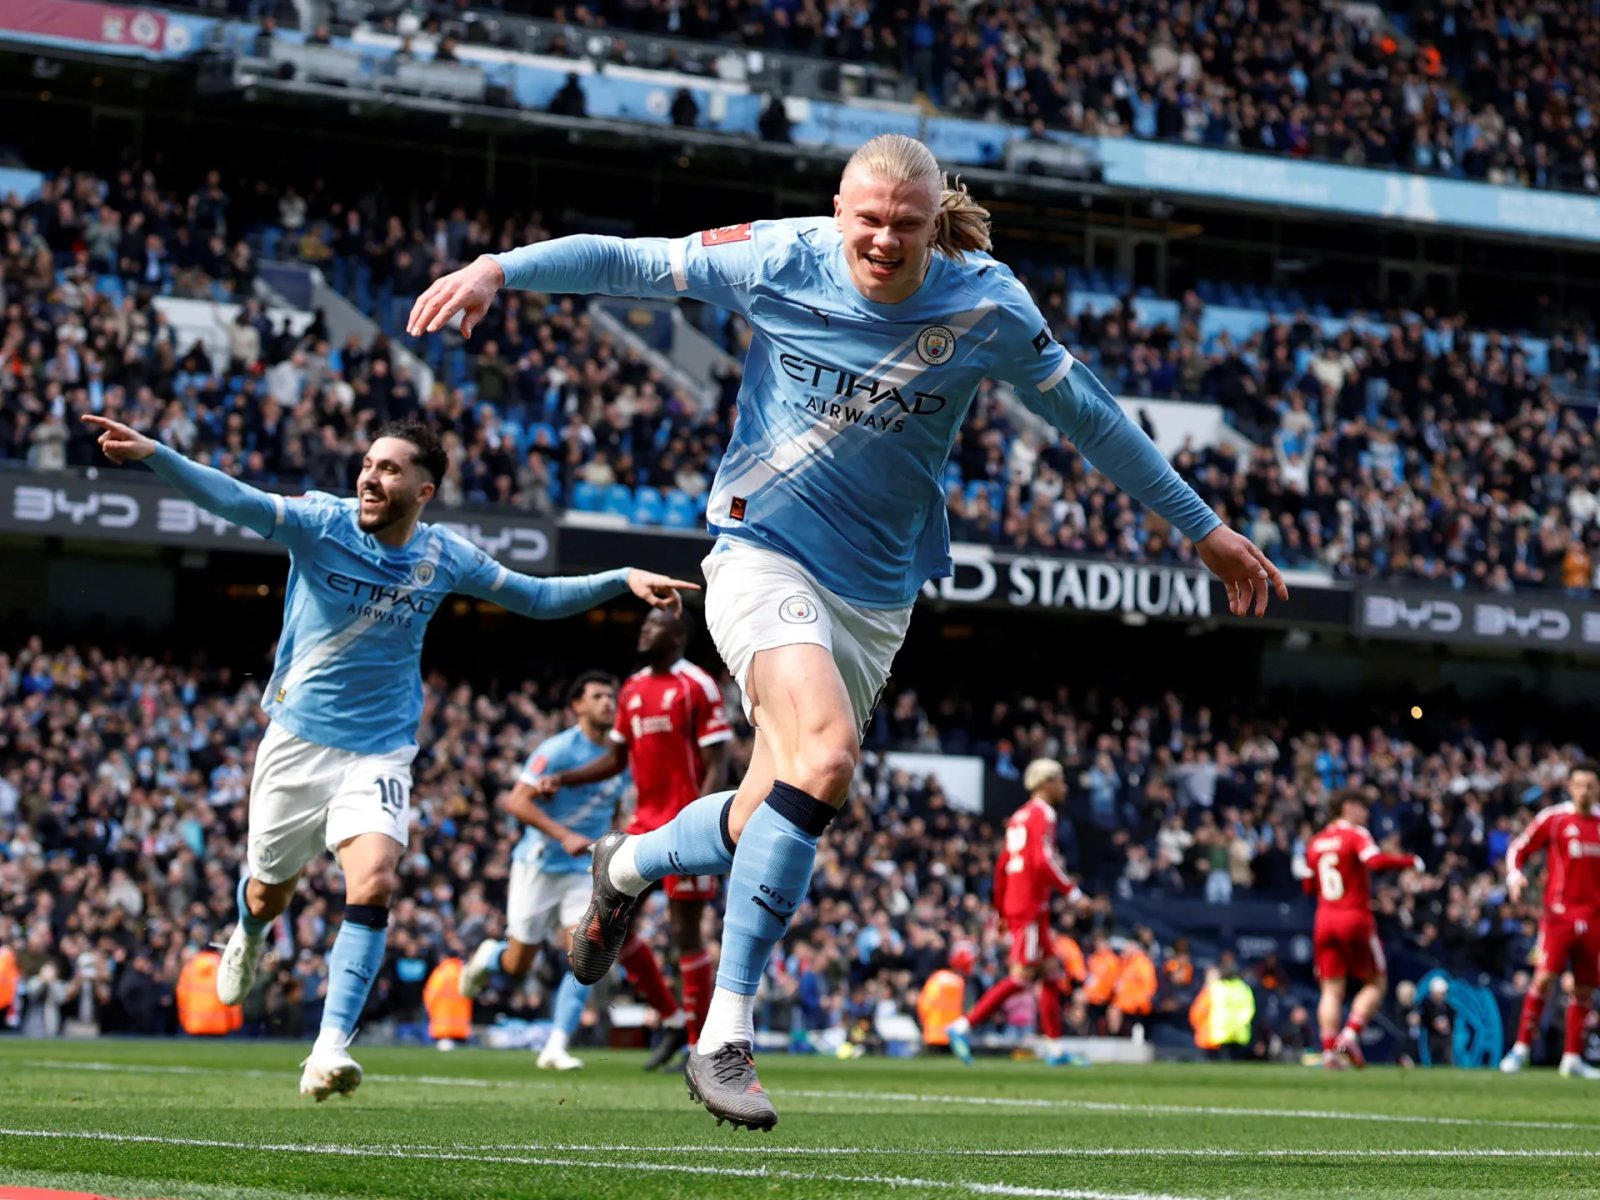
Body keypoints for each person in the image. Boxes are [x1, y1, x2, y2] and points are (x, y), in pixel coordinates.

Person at [406, 133, 1287, 1129]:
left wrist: (1201, 528)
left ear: (930, 226)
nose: (881, 240)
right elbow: (631, 259)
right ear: (837, 208)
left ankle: (628, 864)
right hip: (758, 551)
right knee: (825, 757)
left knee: (764, 805)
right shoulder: (777, 257)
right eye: (865, 220)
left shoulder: (986, 302)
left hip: (875, 596)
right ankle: (725, 1036)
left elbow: (1088, 415)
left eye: (904, 227)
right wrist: (497, 269)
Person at [80, 412, 695, 1101]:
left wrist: (619, 577)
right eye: (368, 465)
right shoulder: (320, 523)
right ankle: (250, 931)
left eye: (389, 469)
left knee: (372, 881)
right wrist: (156, 453)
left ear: (424, 491)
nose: (370, 477)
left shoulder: (445, 557)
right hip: (296, 745)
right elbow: (234, 498)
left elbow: (533, 596)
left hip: (379, 752)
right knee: (268, 891)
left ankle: (327, 1050)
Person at [533, 608, 732, 1070]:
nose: (642, 629)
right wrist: (566, 777)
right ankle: (668, 1017)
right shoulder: (633, 689)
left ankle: (694, 1043)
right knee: (612, 927)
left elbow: (718, 763)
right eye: (641, 623)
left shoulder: (696, 686)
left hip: (686, 828)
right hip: (642, 827)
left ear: (677, 634)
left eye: (653, 624)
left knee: (686, 933)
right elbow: (616, 760)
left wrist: (701, 825)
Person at [458, 671, 632, 1070]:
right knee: (519, 962)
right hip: (538, 865)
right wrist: (564, 834)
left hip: (581, 871)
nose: (609, 702)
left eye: (612, 696)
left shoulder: (621, 757)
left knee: (583, 954)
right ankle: (491, 956)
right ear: (577, 706)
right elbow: (516, 802)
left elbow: (615, 807)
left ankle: (555, 1045)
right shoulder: (557, 750)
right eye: (599, 696)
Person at [944, 759, 1082, 1065]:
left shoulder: (1019, 815)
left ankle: (1056, 1049)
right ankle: (962, 1026)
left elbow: (1002, 864)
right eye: (1059, 780)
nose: (1064, 787)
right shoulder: (1042, 814)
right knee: (1022, 977)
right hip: (1030, 905)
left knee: (1050, 973)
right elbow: (1042, 860)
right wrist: (1072, 893)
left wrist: (1000, 910)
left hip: (1021, 903)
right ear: (1045, 783)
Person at [1304, 787, 1422, 1069]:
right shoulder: (1355, 835)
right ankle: (1350, 1034)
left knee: (1331, 990)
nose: (1366, 814)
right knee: (1376, 982)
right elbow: (1375, 861)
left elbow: (1309, 887)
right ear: (1348, 807)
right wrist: (1410, 861)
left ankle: (1330, 1052)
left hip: (1324, 920)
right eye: (1362, 807)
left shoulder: (1316, 842)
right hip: (1354, 918)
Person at [1499, 761, 1600, 1078]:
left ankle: (1572, 1058)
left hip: (1595, 918)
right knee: (1544, 977)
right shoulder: (1554, 819)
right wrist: (1515, 876)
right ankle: (1521, 1049)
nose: (1585, 790)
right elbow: (1519, 847)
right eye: (1579, 784)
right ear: (1570, 787)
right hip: (1559, 915)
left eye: (1591, 784)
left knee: (1584, 988)